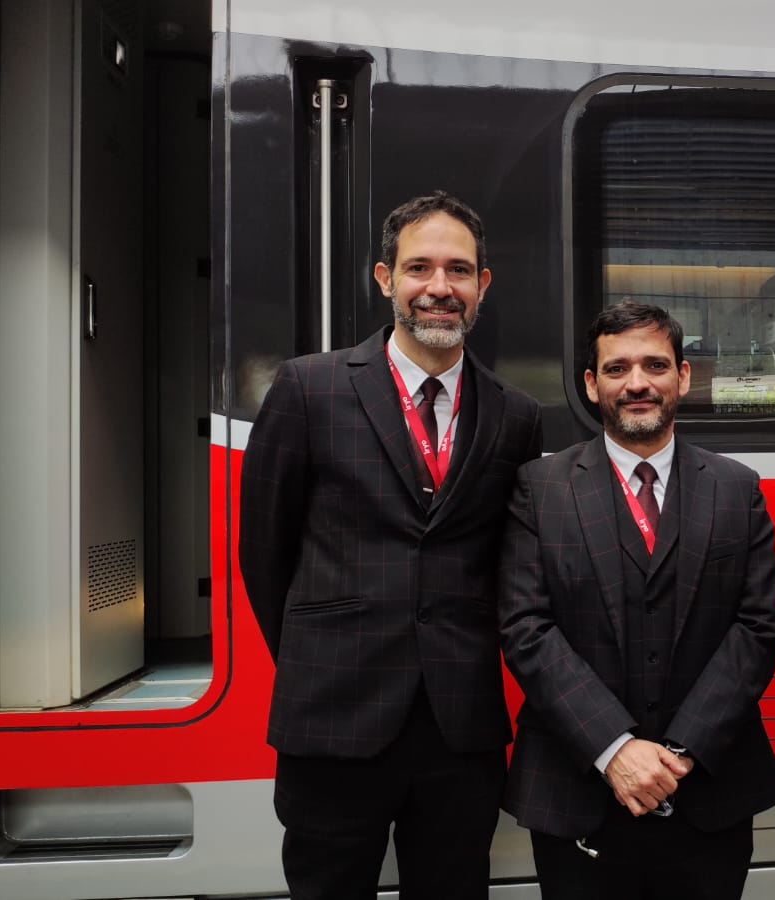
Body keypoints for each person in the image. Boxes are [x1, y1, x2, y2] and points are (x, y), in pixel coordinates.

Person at [239, 191, 543, 899]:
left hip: (459, 728)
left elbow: (510, 564)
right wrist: (318, 661)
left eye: (459, 270)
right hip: (332, 717)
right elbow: (265, 551)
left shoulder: (516, 416)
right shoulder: (309, 389)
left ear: (482, 286)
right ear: (385, 279)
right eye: (419, 268)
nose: (439, 288)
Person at [498, 301, 775, 900]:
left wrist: (678, 754)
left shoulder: (737, 488)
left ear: (682, 376)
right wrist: (616, 749)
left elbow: (758, 627)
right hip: (577, 795)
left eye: (655, 365)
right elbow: (527, 627)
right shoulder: (540, 489)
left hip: (711, 792)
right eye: (616, 368)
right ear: (590, 383)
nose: (637, 384)